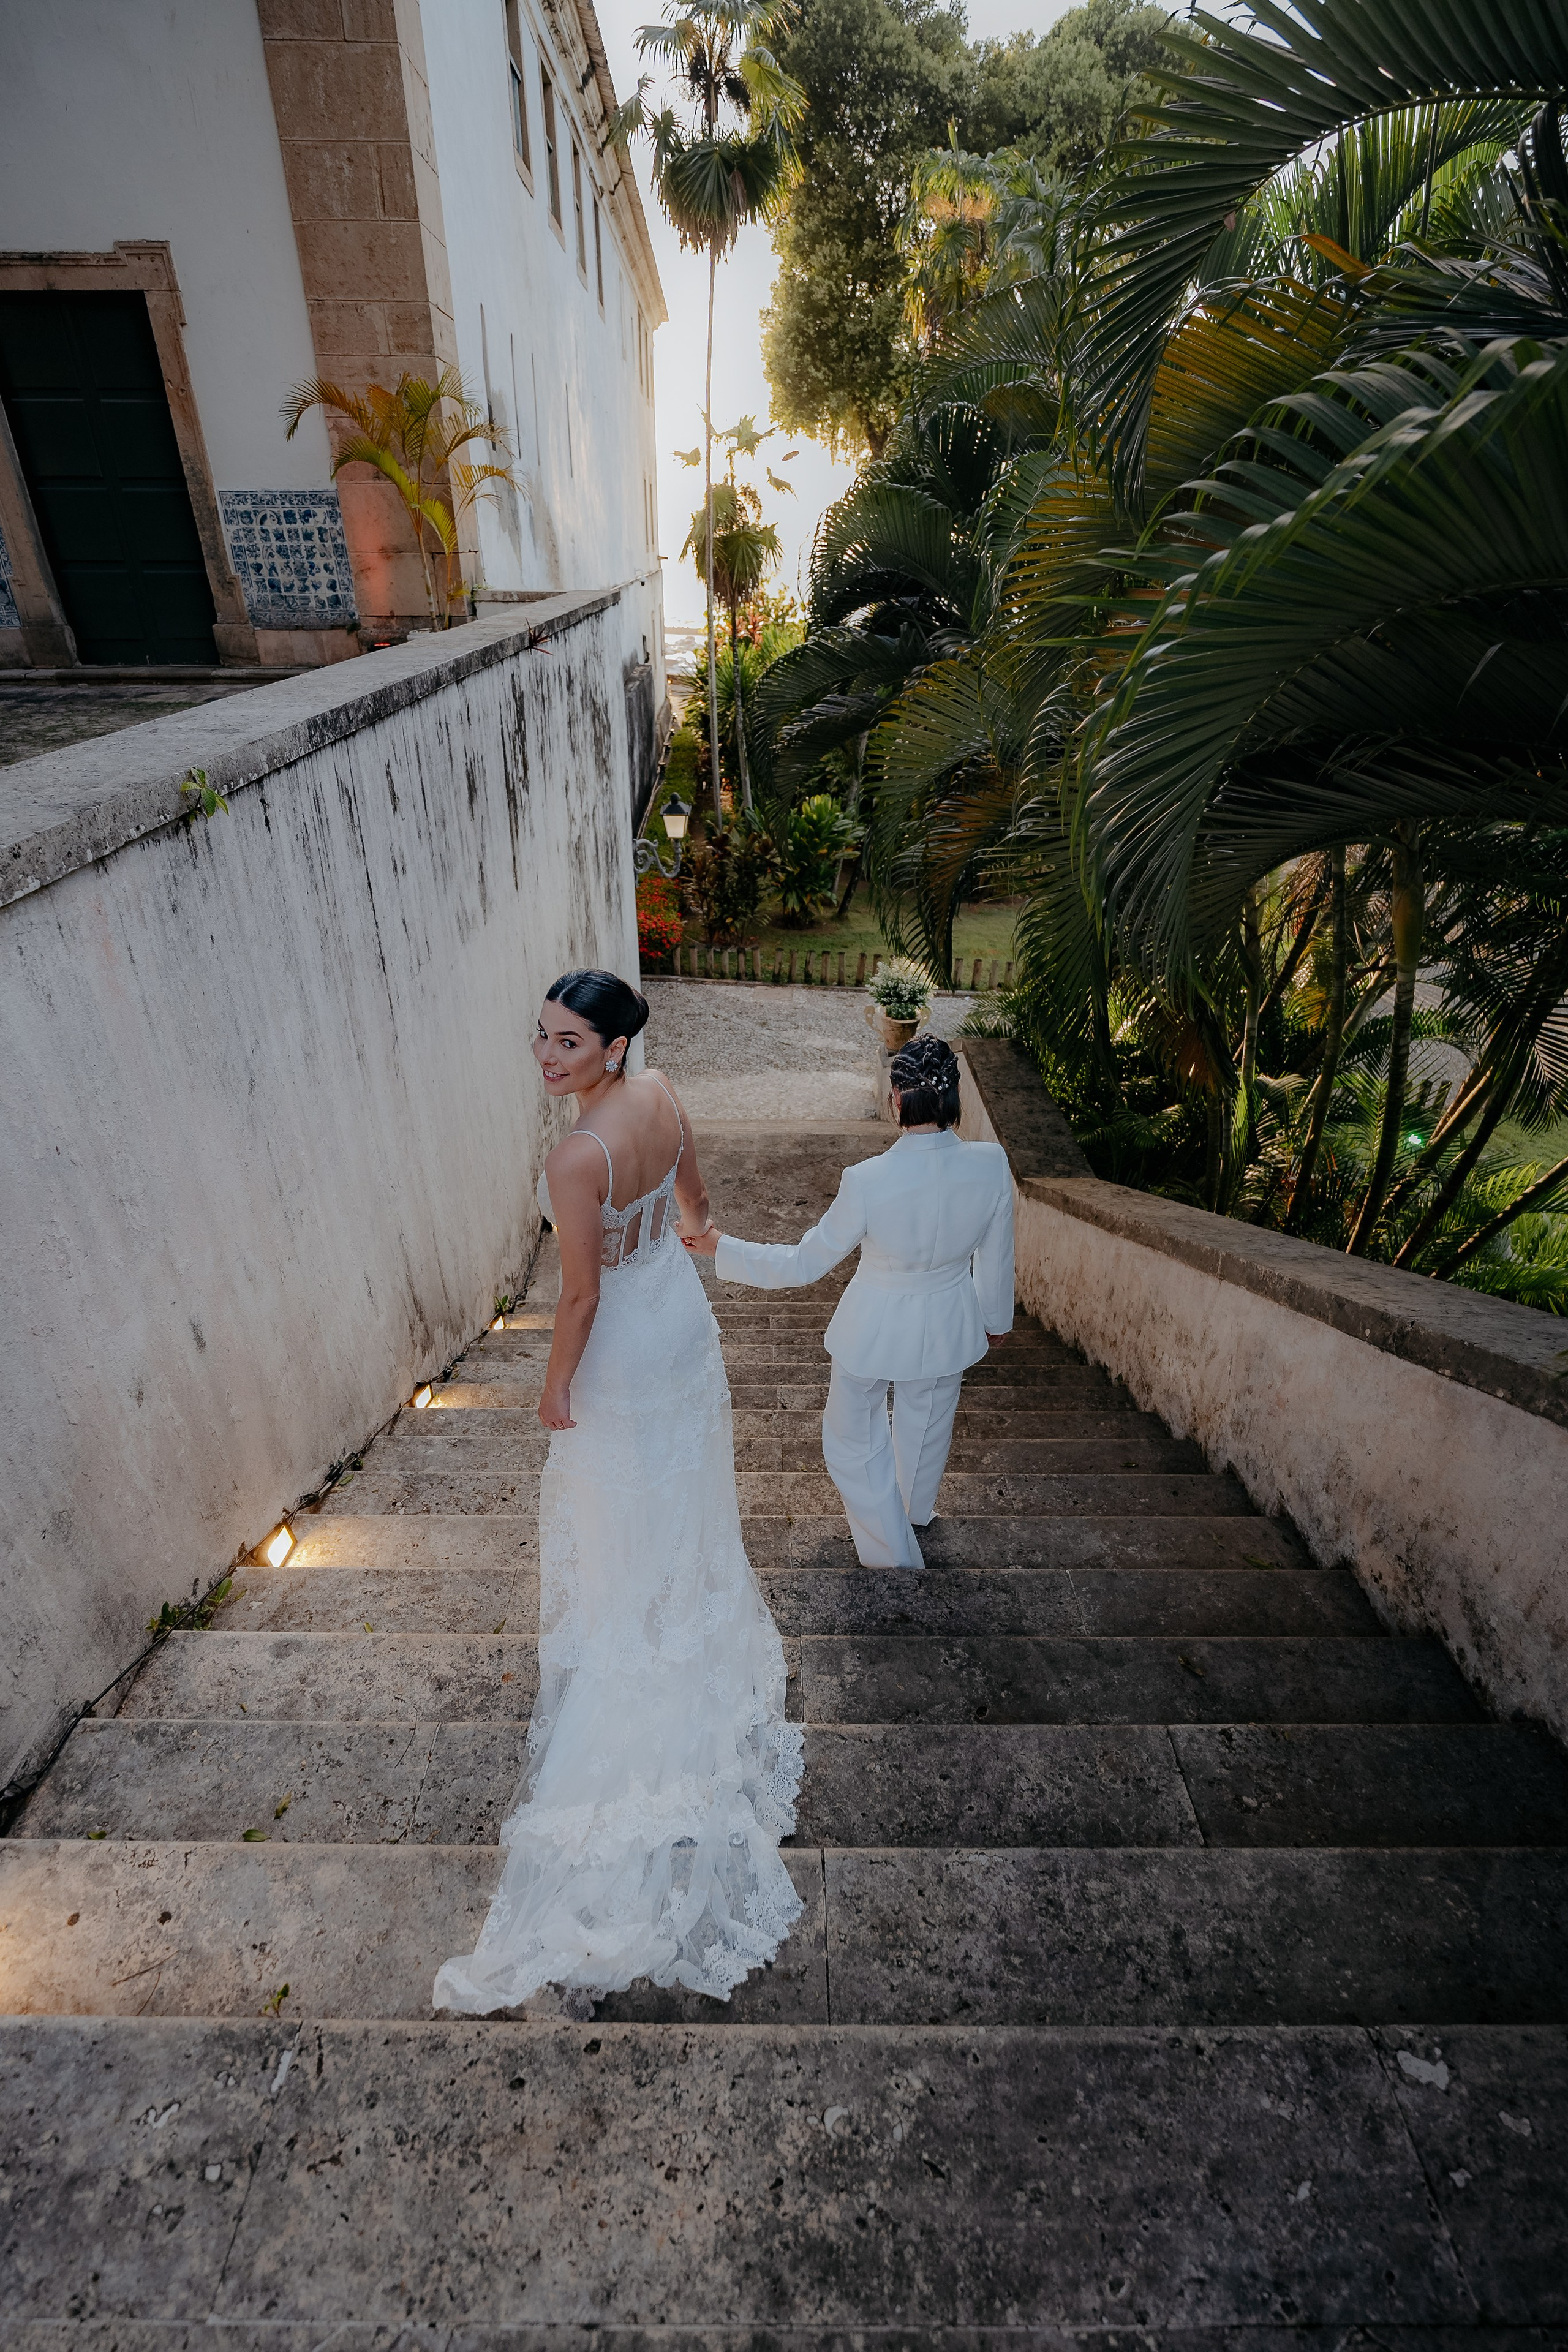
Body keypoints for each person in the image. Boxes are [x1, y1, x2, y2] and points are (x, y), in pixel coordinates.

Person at [434, 970, 802, 2015]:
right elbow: (696, 1199)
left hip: (622, 1357)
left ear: (611, 1048)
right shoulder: (667, 1093)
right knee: (679, 1498)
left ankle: (634, 1647)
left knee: (618, 1510)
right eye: (540, 1039)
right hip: (680, 1325)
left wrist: (553, 1385)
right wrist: (690, 1239)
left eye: (567, 1044)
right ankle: (672, 1616)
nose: (548, 1058)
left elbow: (582, 1293)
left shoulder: (573, 1157)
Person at [684, 1033, 1014, 1572]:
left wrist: (724, 1247)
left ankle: (890, 1552)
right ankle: (914, 1513)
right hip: (950, 1319)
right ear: (954, 1097)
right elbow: (996, 1258)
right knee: (928, 1424)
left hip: (873, 1326)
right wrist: (995, 1320)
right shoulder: (992, 1164)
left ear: (898, 1097)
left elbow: (804, 1263)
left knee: (851, 1439)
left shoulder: (867, 1181)